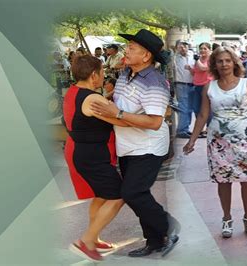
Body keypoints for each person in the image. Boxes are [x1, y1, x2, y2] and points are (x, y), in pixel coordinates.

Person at [90, 29, 179, 258]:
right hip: (127, 145)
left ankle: (168, 226)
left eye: (131, 48)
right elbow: (119, 103)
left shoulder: (155, 82)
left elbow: (154, 122)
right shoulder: (125, 74)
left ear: (146, 56)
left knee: (132, 193)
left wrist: (117, 112)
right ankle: (154, 241)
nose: (125, 51)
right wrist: (104, 101)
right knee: (138, 193)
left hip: (148, 147)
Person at [183, 47, 247, 238]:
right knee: (223, 180)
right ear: (214, 65)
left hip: (244, 138)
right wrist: (192, 140)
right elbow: (203, 115)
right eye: (220, 61)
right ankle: (226, 219)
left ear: (234, 63)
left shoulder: (246, 84)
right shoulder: (209, 87)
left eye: (227, 60)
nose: (224, 64)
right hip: (218, 141)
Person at [63, 55, 125, 262]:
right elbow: (121, 120)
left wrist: (111, 94)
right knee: (118, 195)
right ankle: (85, 241)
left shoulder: (74, 92)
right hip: (90, 156)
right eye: (102, 73)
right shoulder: (93, 99)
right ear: (93, 75)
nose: (104, 76)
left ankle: (94, 237)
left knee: (100, 195)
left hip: (81, 152)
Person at [172, 40, 195, 138]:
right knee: (184, 108)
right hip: (181, 85)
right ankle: (181, 130)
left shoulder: (192, 56)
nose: (183, 48)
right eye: (180, 47)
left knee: (189, 108)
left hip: (192, 84)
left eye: (185, 46)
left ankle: (185, 128)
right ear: (177, 48)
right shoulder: (175, 58)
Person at [192, 42, 213, 136]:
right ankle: (200, 128)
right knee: (196, 108)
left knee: (207, 108)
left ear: (209, 50)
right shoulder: (198, 59)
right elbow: (195, 72)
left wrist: (197, 60)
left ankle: (210, 128)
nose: (202, 50)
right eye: (201, 48)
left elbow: (203, 68)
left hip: (207, 85)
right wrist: (190, 69)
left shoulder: (211, 60)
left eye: (205, 48)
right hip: (197, 85)